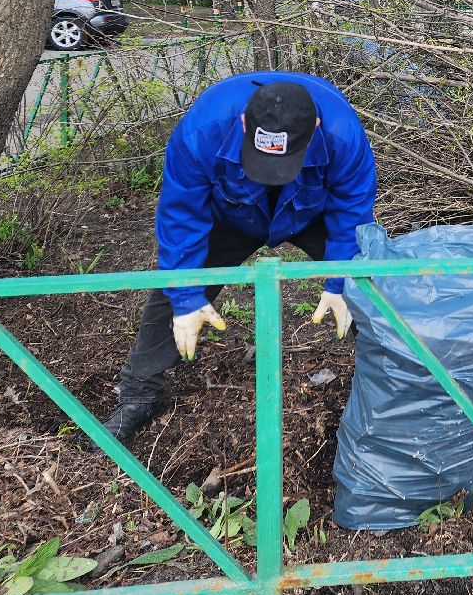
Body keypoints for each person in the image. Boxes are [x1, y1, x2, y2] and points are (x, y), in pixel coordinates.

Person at [102, 71, 377, 443]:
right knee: (172, 290)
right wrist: (185, 297)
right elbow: (181, 214)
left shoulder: (343, 134)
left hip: (310, 210)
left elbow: (352, 212)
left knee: (367, 285)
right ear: (246, 122)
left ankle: (388, 382)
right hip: (231, 212)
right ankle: (139, 394)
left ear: (314, 127)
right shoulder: (203, 130)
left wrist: (341, 280)